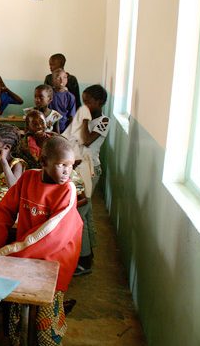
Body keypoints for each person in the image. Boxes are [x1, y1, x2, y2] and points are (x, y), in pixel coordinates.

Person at [0, 136, 83, 345]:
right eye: (61, 165)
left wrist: (4, 253)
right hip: (25, 257)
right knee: (18, 312)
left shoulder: (67, 191)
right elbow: (5, 208)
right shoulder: (28, 178)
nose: (67, 172)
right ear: (43, 162)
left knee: (45, 322)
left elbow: (49, 235)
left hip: (53, 262)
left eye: (70, 165)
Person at [63, 84, 109, 275]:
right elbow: (67, 137)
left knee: (79, 214)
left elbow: (87, 140)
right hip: (77, 168)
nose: (85, 105)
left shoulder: (103, 121)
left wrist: (83, 121)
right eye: (84, 101)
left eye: (88, 102)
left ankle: (84, 261)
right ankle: (88, 254)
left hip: (89, 171)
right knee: (86, 212)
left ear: (100, 102)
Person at [0, 123, 25, 200]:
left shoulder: (17, 164)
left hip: (7, 203)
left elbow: (13, 187)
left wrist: (4, 161)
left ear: (7, 147)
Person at [49, 68, 76, 133]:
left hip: (63, 129)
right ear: (53, 81)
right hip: (49, 128)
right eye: (58, 78)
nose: (62, 80)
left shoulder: (70, 97)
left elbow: (72, 117)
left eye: (64, 77)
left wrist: (69, 132)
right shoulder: (48, 94)